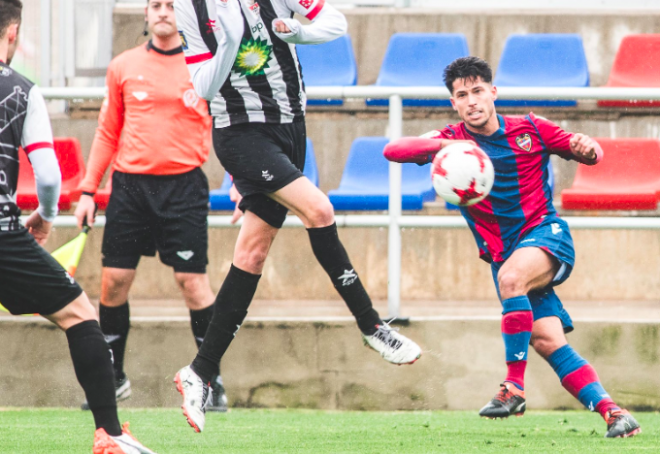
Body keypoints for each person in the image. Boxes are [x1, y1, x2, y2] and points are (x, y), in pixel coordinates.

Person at [171, 0, 422, 432]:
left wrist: (296, 30)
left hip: (291, 128)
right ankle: (371, 324)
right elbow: (205, 87)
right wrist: (230, 40)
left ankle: (200, 371)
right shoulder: (191, 8)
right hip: (240, 132)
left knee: (251, 252)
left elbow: (334, 21)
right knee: (319, 208)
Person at [383, 56, 640, 438]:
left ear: (493, 92)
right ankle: (614, 413)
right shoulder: (453, 142)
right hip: (504, 257)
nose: (471, 101)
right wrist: (446, 147)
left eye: (477, 91)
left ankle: (513, 387)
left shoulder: (531, 129)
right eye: (461, 95)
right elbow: (394, 151)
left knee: (512, 277)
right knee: (546, 340)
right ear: (453, 103)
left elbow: (588, 151)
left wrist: (589, 149)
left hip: (546, 235)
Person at [0, 1, 157, 452]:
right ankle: (109, 435)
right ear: (12, 34)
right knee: (79, 314)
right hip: (4, 235)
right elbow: (48, 175)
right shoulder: (20, 90)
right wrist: (45, 217)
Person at [74, 0, 227, 412]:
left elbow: (228, 127)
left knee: (192, 284)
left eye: (171, 6)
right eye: (155, 5)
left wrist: (243, 185)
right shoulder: (122, 66)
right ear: (145, 13)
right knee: (113, 281)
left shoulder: (206, 65)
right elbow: (108, 132)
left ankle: (209, 381)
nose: (163, 12)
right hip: (130, 188)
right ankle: (114, 378)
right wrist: (88, 191)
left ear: (184, 15)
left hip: (184, 189)